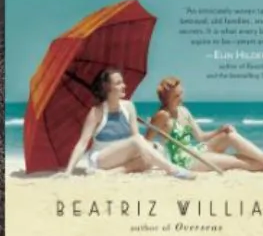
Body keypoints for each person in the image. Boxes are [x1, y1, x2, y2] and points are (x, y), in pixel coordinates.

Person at [145, 77, 263, 173]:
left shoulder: (184, 111)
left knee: (228, 135)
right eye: (176, 96)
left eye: (181, 94)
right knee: (237, 161)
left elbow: (201, 137)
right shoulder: (161, 116)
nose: (181, 98)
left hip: (196, 151)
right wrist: (155, 154)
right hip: (185, 162)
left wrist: (219, 130)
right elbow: (145, 144)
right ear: (165, 98)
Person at [63, 67, 193, 178]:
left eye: (122, 82)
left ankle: (111, 173)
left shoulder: (129, 107)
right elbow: (82, 143)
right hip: (102, 158)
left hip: (123, 156)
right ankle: (172, 170)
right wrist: (68, 171)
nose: (124, 86)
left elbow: (136, 139)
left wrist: (150, 147)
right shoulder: (97, 112)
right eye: (118, 83)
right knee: (140, 143)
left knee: (152, 153)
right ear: (107, 87)